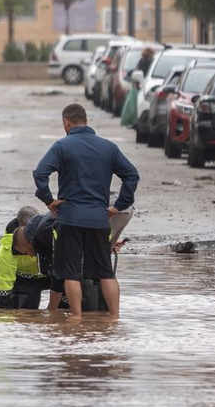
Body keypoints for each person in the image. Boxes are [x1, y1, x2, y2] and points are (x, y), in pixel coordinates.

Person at [33, 102, 139, 317]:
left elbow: (40, 173)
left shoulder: (62, 146)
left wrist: (48, 201)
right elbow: (132, 175)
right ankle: (114, 319)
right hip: (99, 220)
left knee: (71, 272)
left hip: (69, 218)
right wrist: (117, 206)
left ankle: (77, 319)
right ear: (87, 121)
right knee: (105, 272)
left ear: (66, 122)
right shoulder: (108, 147)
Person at [0, 205, 50, 310]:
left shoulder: (50, 234)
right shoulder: (8, 247)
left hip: (52, 275)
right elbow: (2, 280)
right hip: (25, 280)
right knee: (23, 310)